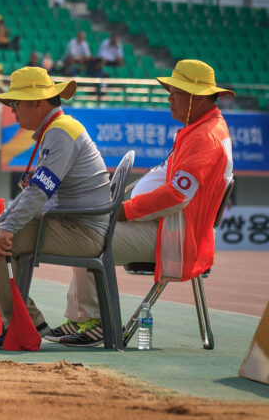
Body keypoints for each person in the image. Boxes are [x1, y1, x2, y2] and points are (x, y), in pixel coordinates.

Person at [53, 60, 234, 346]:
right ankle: (81, 318)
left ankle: (96, 322)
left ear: (197, 98)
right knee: (88, 230)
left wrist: (123, 211)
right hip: (172, 229)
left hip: (176, 237)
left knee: (88, 237)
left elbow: (176, 196)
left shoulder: (205, 136)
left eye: (176, 91)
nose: (169, 97)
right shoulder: (202, 128)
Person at [0, 67, 111, 349]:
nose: (13, 110)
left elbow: (39, 191)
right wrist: (5, 220)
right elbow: (35, 191)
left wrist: (6, 228)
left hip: (81, 232)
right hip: (70, 224)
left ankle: (23, 324)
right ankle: (28, 321)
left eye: (16, 103)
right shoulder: (57, 130)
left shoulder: (60, 133)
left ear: (38, 102)